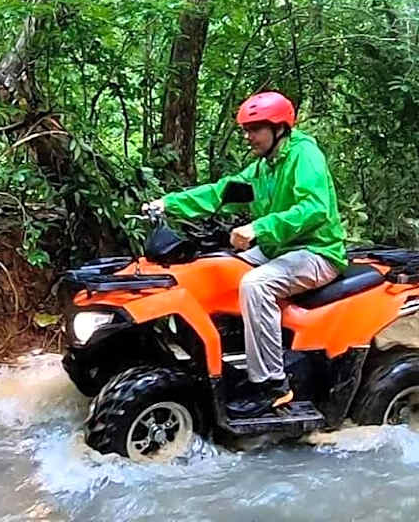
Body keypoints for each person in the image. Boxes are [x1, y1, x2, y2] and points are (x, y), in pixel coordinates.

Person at [142, 91, 347, 418]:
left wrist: (258, 228)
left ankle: (272, 385)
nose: (248, 137)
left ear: (279, 128)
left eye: (255, 129)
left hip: (316, 251)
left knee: (257, 285)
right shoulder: (263, 167)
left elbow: (314, 209)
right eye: (246, 130)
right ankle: (221, 355)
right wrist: (169, 203)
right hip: (277, 250)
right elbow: (222, 192)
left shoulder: (304, 155)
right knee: (212, 270)